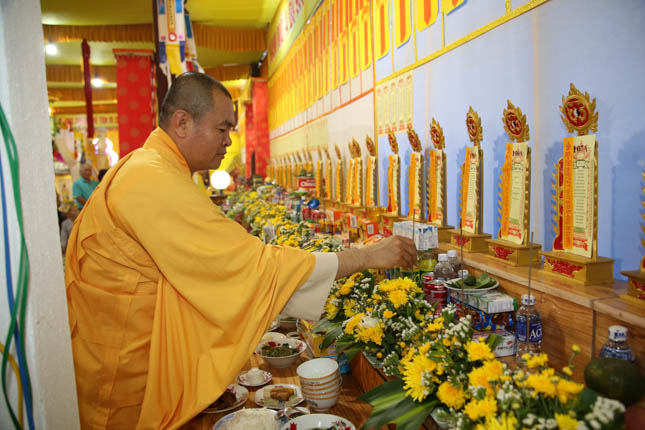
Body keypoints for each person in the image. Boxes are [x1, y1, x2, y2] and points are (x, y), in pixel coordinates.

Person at [64, 72, 417, 429]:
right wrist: (365, 256)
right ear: (182, 123)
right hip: (123, 371)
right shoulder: (151, 178)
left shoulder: (151, 167)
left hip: (124, 352)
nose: (228, 141)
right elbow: (249, 265)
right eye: (222, 128)